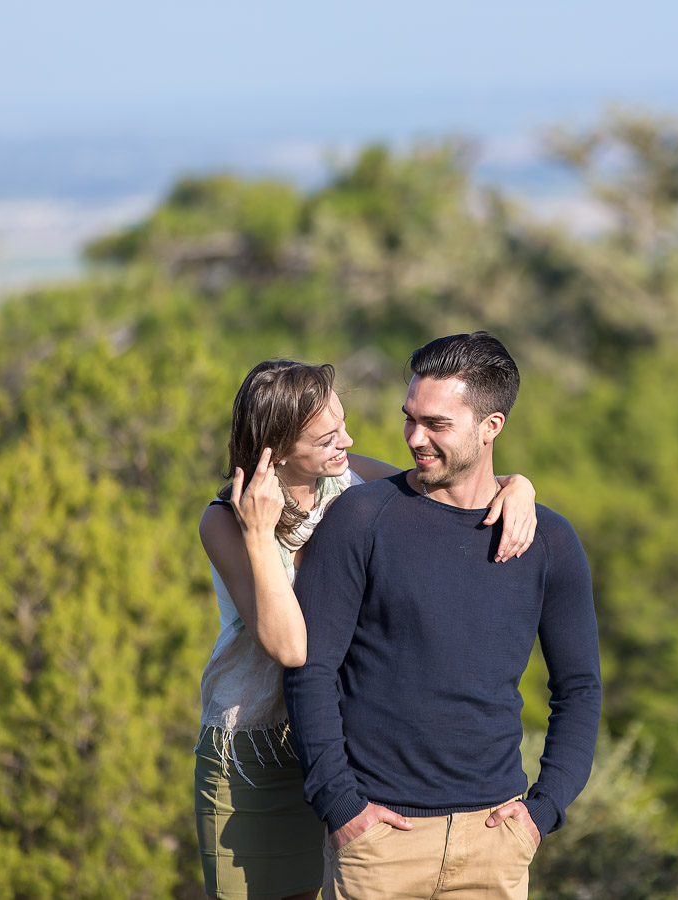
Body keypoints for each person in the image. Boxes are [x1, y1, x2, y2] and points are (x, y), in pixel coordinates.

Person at [195, 358, 539, 900]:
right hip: (254, 753)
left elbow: (453, 484)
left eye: (343, 423)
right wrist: (261, 536)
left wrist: (517, 485)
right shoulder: (225, 521)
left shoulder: (350, 477)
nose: (348, 441)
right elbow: (290, 647)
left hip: (340, 744)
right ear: (278, 449)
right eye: (329, 436)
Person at [284, 331, 602, 900]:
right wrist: (341, 807)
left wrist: (543, 811)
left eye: (436, 424)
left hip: (496, 842)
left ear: (492, 427)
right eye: (409, 418)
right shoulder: (360, 519)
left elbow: (579, 689)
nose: (414, 438)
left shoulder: (548, 540)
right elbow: (310, 670)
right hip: (377, 845)